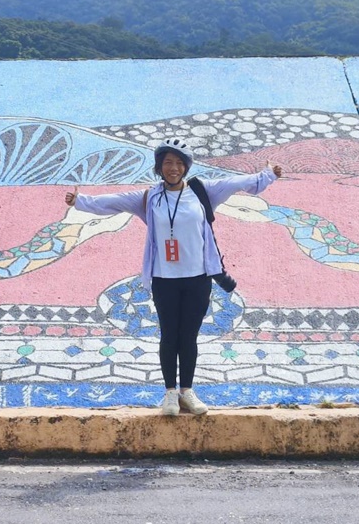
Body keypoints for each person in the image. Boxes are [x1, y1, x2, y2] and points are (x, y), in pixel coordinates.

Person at [65, 136, 282, 416]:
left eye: (179, 163)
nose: (173, 168)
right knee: (169, 336)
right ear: (159, 166)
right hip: (164, 278)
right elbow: (112, 202)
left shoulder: (203, 192)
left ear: (187, 167)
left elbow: (239, 183)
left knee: (188, 337)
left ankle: (187, 393)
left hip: (198, 277)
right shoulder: (148, 197)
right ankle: (169, 394)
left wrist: (268, 175)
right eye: (168, 162)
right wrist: (79, 201)